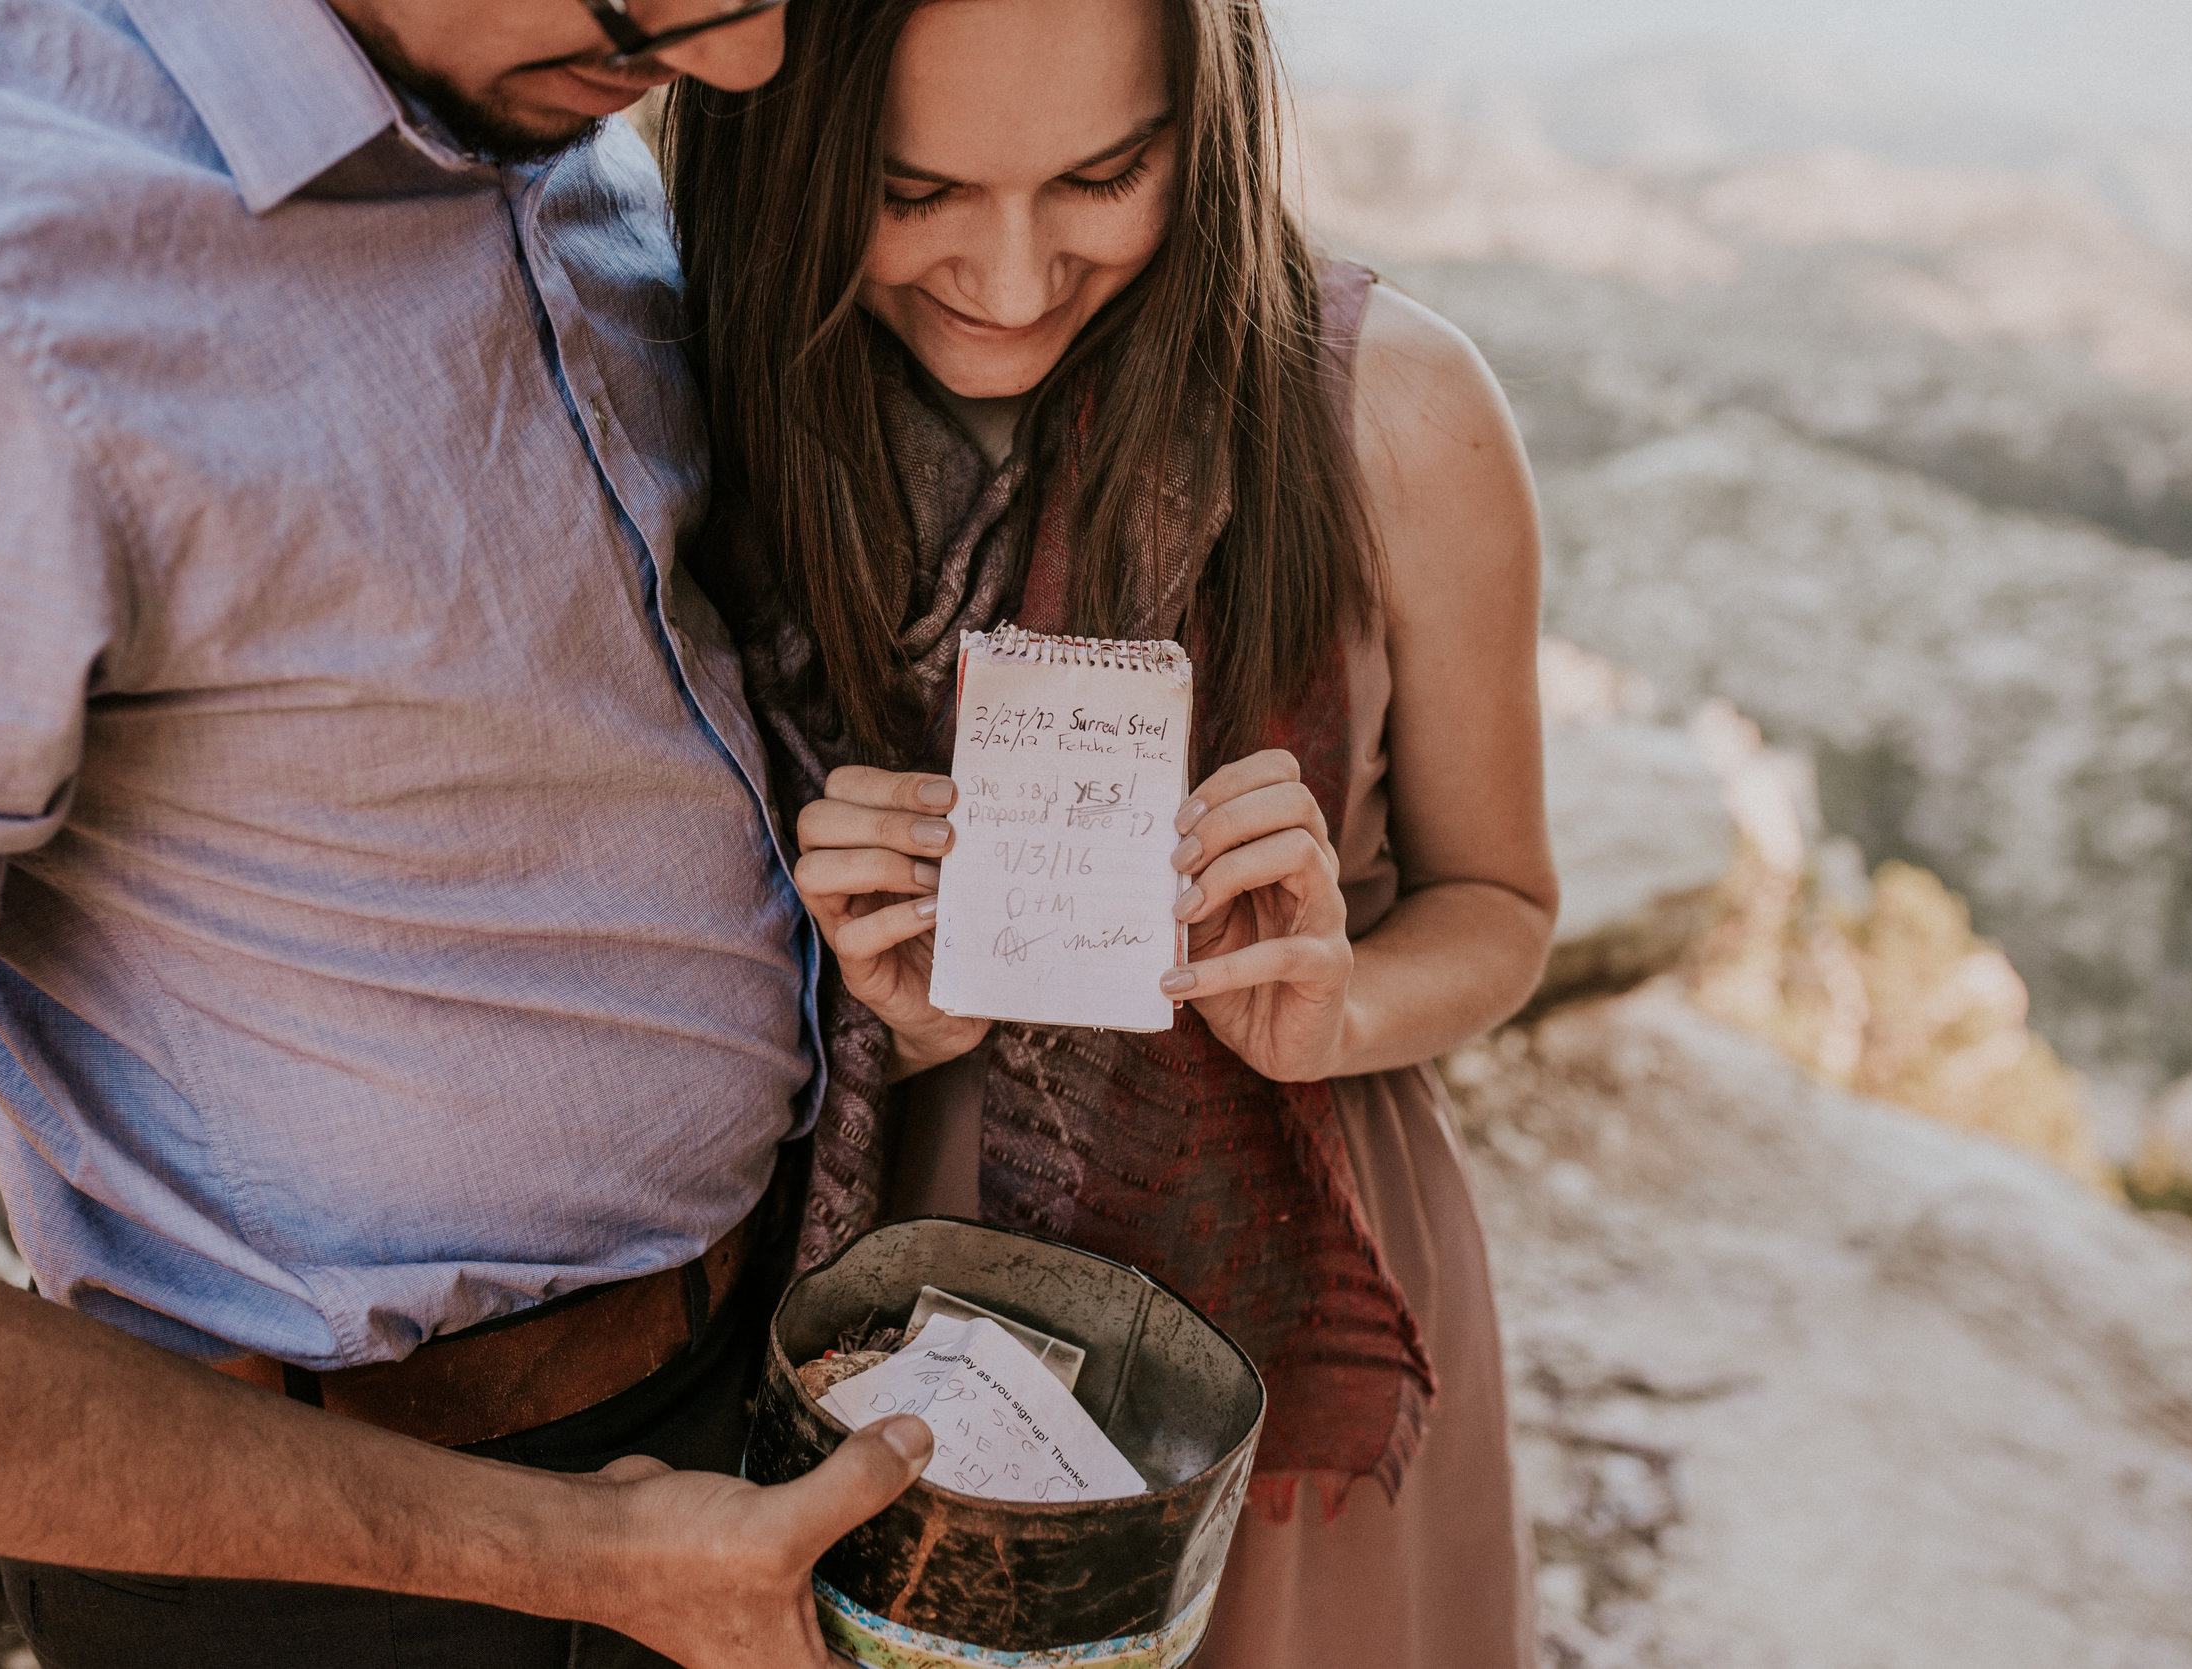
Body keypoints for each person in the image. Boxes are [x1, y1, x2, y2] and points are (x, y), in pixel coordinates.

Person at [0, 1, 940, 1665]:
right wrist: (582, 1553)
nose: (743, 67)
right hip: (339, 1572)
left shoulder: (520, 80)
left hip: (732, 1409)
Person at [667, 0, 1557, 1661]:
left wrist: (1334, 1001)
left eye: (1102, 176)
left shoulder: (1399, 418)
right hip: (874, 1290)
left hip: (1282, 1269)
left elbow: (1502, 902)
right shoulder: (700, 414)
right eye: (910, 190)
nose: (1009, 280)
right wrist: (873, 1013)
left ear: (1203, 129)